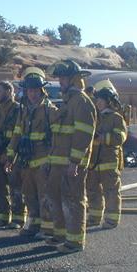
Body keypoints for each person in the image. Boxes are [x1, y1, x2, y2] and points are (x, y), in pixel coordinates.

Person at [45, 59, 97, 253]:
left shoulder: (82, 102)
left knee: (73, 199)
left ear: (74, 79)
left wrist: (75, 162)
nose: (60, 82)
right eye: (59, 78)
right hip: (58, 162)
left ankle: (74, 241)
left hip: (71, 164)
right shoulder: (68, 102)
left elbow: (83, 136)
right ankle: (60, 234)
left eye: (64, 78)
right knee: (56, 197)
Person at [6, 67, 57, 238]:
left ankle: (48, 228)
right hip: (26, 160)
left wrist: (52, 160)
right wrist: (10, 156)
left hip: (43, 160)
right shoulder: (24, 110)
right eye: (30, 90)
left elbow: (56, 138)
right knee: (29, 194)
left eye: (36, 90)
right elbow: (17, 134)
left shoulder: (51, 110)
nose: (33, 94)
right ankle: (33, 224)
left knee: (45, 195)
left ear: (42, 90)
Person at [86, 87, 127, 229]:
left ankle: (111, 219)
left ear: (108, 101)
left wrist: (102, 138)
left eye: (101, 100)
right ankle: (94, 217)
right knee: (92, 190)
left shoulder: (116, 118)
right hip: (93, 162)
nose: (98, 102)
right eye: (97, 100)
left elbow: (120, 137)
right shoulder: (94, 117)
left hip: (109, 161)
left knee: (111, 191)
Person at [0, 81, 25, 228]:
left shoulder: (18, 109)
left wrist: (9, 155)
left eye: (0, 92)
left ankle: (18, 219)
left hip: (13, 156)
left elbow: (18, 134)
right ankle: (2, 217)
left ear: (9, 92)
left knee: (16, 187)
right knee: (0, 187)